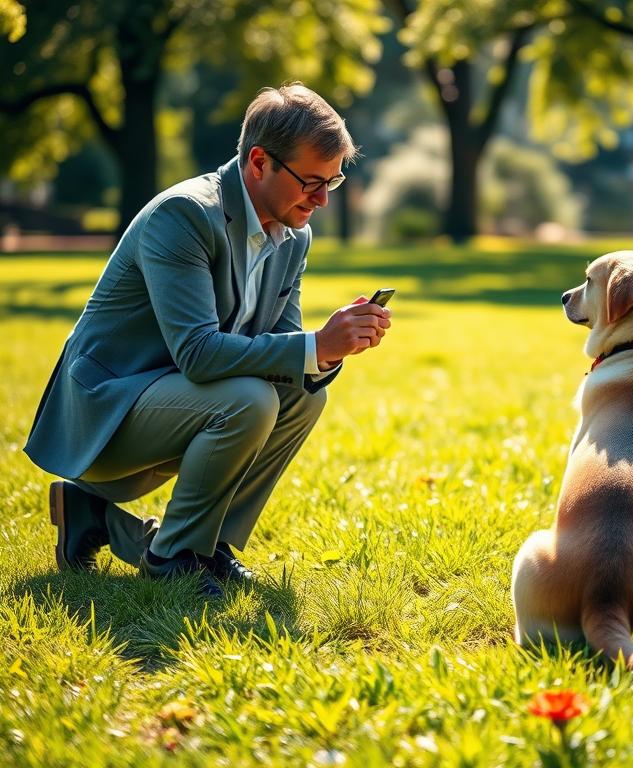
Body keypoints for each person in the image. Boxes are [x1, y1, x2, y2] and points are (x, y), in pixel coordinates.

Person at [24, 83, 391, 598]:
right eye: (312, 181)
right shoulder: (185, 215)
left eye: (332, 181)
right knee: (251, 397)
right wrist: (315, 345)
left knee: (305, 394)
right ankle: (174, 555)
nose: (323, 199)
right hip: (100, 416)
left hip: (174, 402)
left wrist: (327, 352)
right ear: (259, 162)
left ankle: (200, 544)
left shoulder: (293, 234)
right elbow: (198, 353)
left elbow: (284, 347)